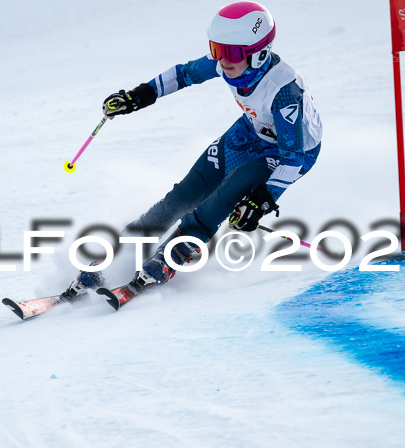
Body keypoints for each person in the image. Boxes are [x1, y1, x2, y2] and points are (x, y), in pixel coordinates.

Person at [79, 0, 322, 291]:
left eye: (230, 53)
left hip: (289, 153)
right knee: (184, 194)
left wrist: (261, 201)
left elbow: (292, 158)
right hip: (251, 132)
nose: (222, 60)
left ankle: (168, 260)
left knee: (221, 199)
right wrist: (138, 97)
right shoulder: (227, 64)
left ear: (260, 54)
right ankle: (121, 253)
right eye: (217, 50)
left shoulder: (284, 91)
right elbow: (183, 74)